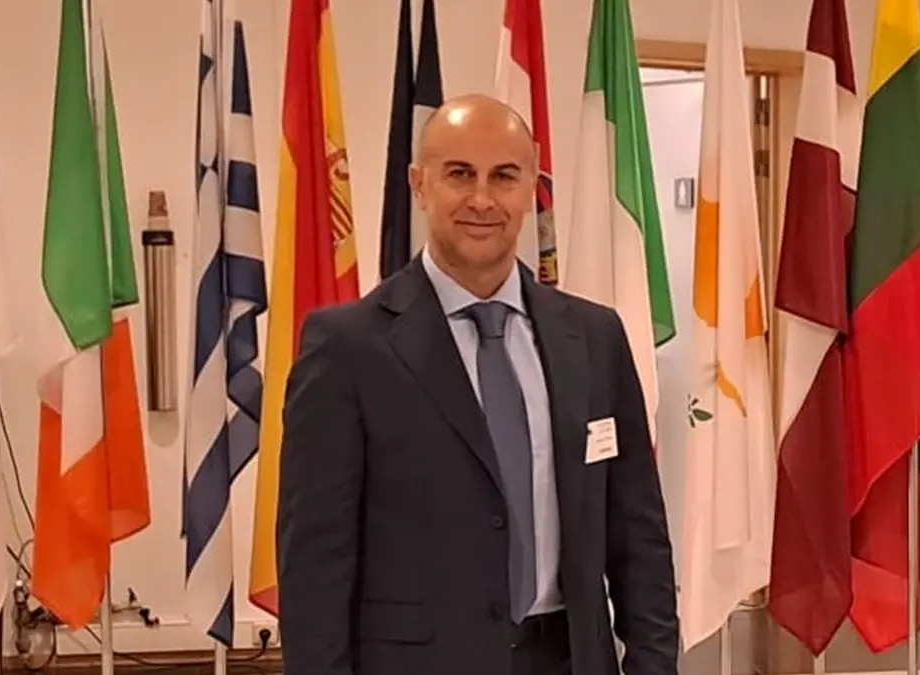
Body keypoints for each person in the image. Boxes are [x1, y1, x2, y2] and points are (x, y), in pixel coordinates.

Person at [275, 93, 679, 675]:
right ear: (419, 185)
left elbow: (639, 535)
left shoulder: (595, 338)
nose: (483, 200)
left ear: (531, 189)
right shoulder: (347, 348)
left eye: (504, 176)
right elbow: (315, 565)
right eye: (460, 174)